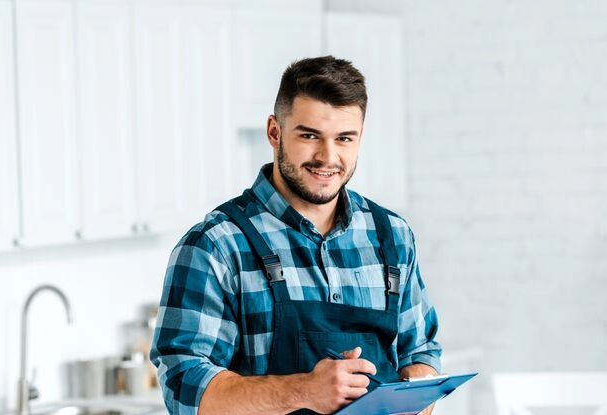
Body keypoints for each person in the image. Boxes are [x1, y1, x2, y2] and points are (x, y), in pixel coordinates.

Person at [150, 56, 442, 415]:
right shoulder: (216, 246)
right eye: (309, 136)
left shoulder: (392, 236)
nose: (328, 156)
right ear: (274, 132)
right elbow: (183, 387)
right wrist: (303, 390)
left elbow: (420, 351)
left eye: (344, 138)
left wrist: (416, 398)